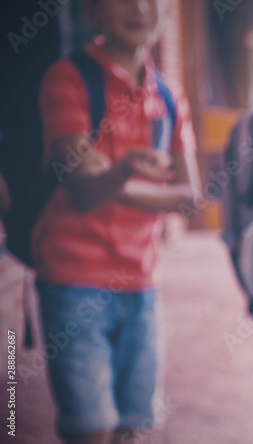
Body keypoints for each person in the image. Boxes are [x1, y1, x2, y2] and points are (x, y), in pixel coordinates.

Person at [33, 0, 201, 443]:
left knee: (133, 426)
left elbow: (189, 197)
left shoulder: (168, 94)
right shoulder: (69, 78)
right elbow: (83, 195)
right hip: (74, 277)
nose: (141, 8)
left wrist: (108, 173)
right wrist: (123, 170)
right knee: (91, 429)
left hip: (143, 282)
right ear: (93, 12)